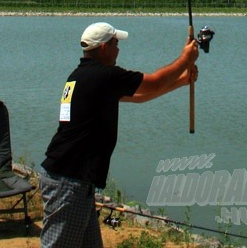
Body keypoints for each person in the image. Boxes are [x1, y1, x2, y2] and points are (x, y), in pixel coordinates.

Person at [39, 21, 199, 248]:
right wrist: (185, 59)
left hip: (73, 179)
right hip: (68, 180)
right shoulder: (104, 76)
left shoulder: (80, 76)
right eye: (116, 43)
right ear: (103, 47)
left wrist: (182, 81)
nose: (119, 49)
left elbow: (140, 96)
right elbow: (153, 82)